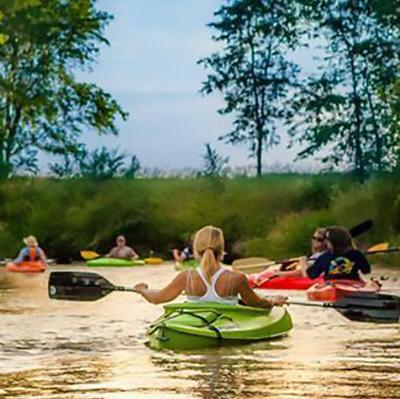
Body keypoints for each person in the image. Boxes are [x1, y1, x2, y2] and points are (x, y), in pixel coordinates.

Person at [135, 225, 287, 308]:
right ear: (222, 251)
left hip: (196, 326)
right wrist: (273, 301)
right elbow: (257, 302)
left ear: (195, 251)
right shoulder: (237, 278)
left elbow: (157, 298)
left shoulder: (186, 277)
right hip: (228, 328)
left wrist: (143, 290)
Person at [305, 226, 372, 281]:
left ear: (333, 242)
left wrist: (304, 263)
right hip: (352, 284)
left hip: (331, 286)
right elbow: (366, 271)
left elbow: (312, 275)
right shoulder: (357, 254)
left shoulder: (325, 257)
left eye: (327, 240)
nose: (326, 242)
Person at [264, 227, 328, 279]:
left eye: (319, 240)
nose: (315, 241)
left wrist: (280, 273)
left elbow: (303, 273)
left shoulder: (322, 256)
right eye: (314, 238)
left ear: (325, 242)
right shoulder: (315, 255)